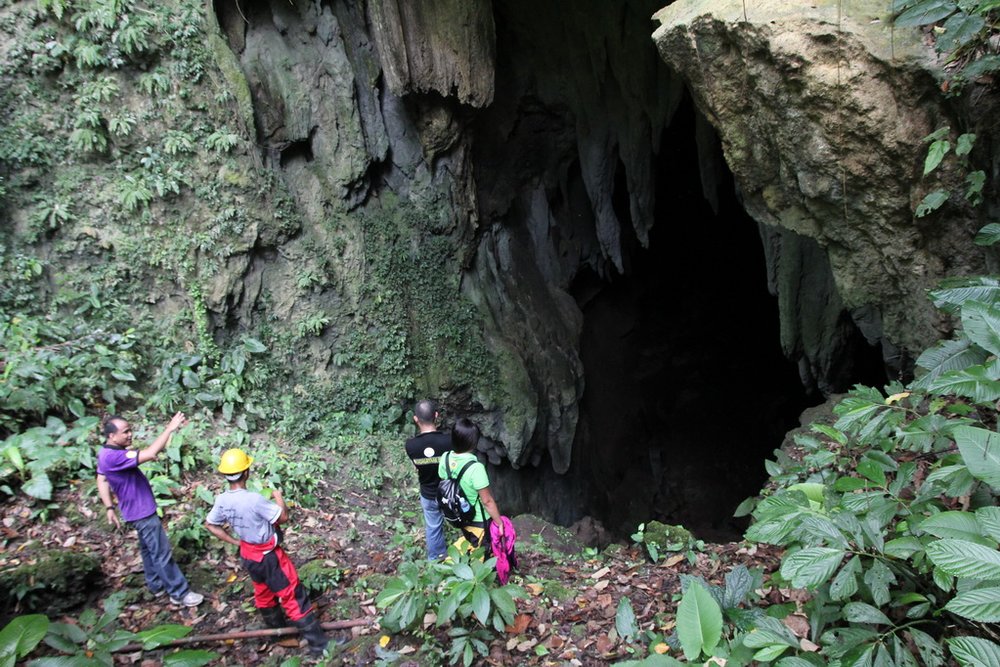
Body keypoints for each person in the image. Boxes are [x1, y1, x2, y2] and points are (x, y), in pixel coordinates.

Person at [204, 448, 328, 655]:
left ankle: (280, 634)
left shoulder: (222, 500)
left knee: (263, 592)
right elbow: (282, 518)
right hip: (268, 555)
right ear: (246, 472)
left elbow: (210, 524)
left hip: (247, 554)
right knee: (291, 593)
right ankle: (319, 645)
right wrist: (278, 497)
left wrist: (235, 541)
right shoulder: (253, 499)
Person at [96, 412, 204, 607]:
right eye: (125, 432)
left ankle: (156, 585)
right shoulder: (115, 456)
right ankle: (179, 593)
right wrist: (170, 428)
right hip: (141, 511)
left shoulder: (104, 453)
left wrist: (109, 507)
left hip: (133, 510)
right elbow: (150, 453)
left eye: (130, 430)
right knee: (161, 552)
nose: (130, 434)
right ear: (111, 436)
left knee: (148, 550)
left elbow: (101, 478)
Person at [438, 418, 504, 550]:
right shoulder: (476, 468)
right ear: (473, 443)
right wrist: (499, 522)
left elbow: (445, 481)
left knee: (470, 544)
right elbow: (487, 501)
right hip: (478, 519)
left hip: (459, 514)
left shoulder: (445, 458)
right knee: (483, 551)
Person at [404, 399, 452, 560]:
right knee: (463, 521)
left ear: (415, 419)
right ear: (436, 416)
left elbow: (417, 466)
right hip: (450, 493)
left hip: (428, 494)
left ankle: (436, 560)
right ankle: (468, 555)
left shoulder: (411, 445)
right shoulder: (449, 441)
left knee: (433, 527)